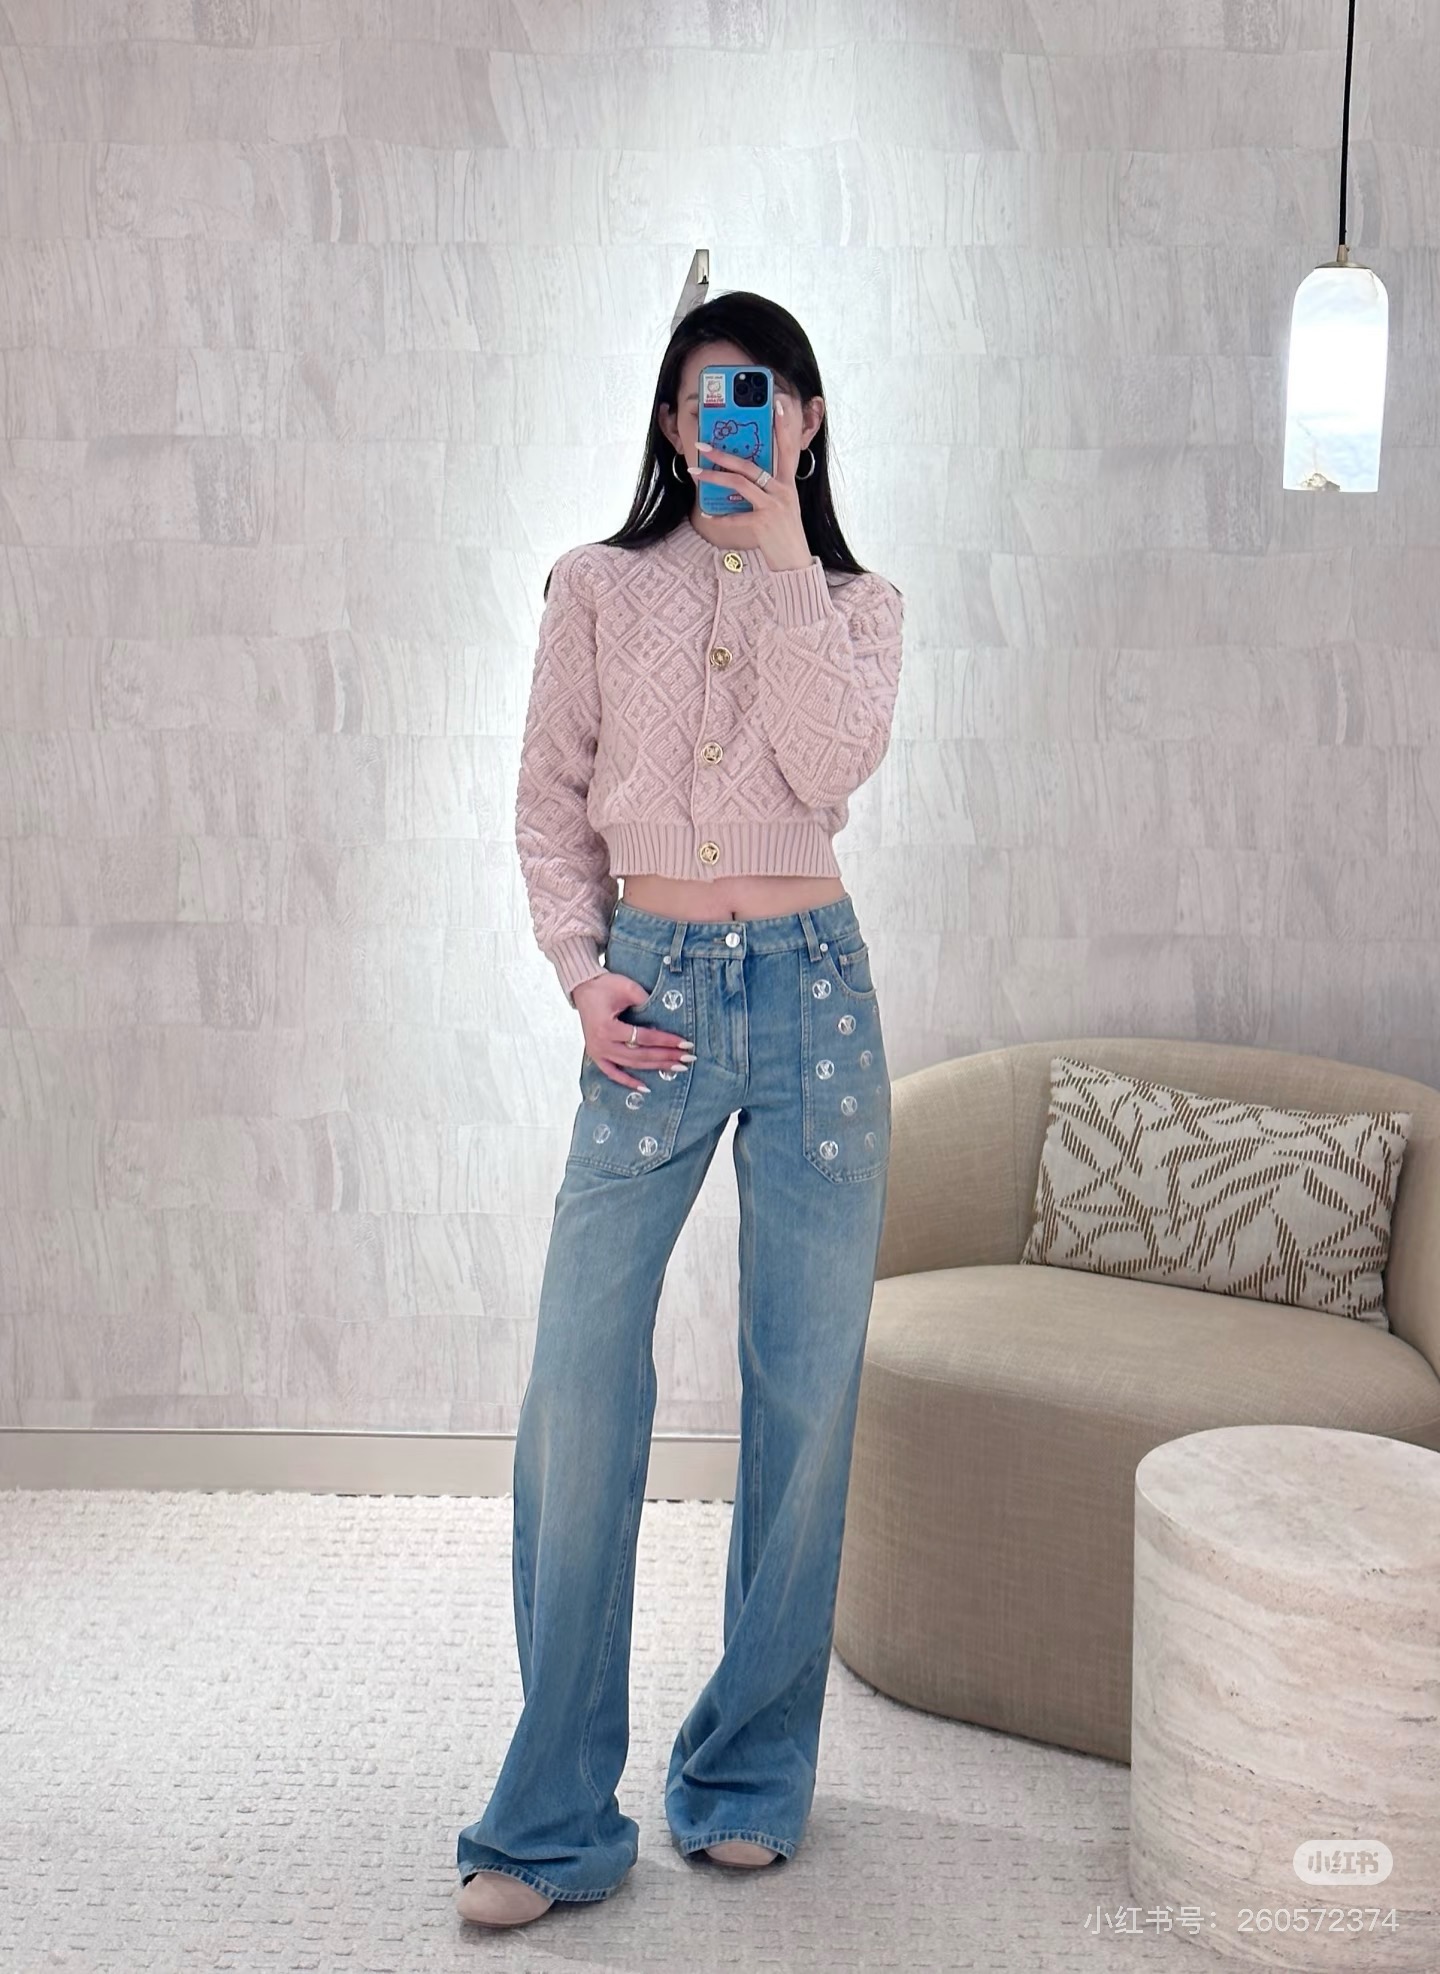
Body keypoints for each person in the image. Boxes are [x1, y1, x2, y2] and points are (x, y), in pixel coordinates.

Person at [455, 290, 905, 1929]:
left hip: (817, 1000)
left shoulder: (857, 603)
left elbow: (832, 765)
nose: (737, 420)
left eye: (765, 396)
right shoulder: (594, 586)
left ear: (806, 421)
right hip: (648, 997)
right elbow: (548, 803)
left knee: (806, 1386)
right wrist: (584, 975)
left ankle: (749, 1770)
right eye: (711, 396)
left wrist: (781, 560)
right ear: (669, 419)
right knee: (579, 1383)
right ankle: (553, 1812)